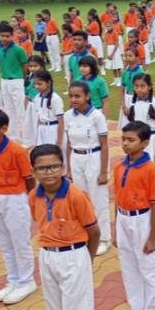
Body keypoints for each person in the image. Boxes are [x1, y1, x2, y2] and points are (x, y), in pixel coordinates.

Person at [28, 144, 104, 310]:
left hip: (74, 255)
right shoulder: (34, 196)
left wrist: (87, 259)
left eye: (54, 166)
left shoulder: (75, 195)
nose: (48, 172)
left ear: (63, 166)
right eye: (42, 168)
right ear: (34, 171)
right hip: (47, 255)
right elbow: (39, 222)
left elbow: (93, 230)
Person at [113, 121, 155, 310]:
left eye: (130, 140)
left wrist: (152, 237)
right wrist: (116, 228)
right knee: (130, 268)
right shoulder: (119, 166)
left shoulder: (150, 169)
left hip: (142, 220)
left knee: (149, 269)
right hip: (123, 219)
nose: (125, 143)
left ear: (144, 143)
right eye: (123, 139)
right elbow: (116, 198)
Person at [0, 108, 37, 304]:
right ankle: (13, 280)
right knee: (4, 243)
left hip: (14, 199)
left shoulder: (17, 150)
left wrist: (25, 199)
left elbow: (29, 179)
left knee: (20, 241)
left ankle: (27, 281)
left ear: (4, 128)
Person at [64, 81, 111, 256]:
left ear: (87, 96)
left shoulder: (96, 116)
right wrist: (68, 168)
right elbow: (68, 144)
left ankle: (105, 238)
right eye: (71, 96)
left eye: (78, 96)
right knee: (81, 199)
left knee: (98, 199)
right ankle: (86, 233)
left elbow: (104, 145)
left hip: (94, 157)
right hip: (76, 158)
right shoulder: (68, 116)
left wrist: (104, 171)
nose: (74, 99)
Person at [0, 22, 29, 143]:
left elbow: (25, 66)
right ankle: (13, 136)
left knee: (20, 109)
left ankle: (26, 137)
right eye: (2, 35)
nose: (5, 38)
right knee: (9, 109)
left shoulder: (19, 50)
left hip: (17, 81)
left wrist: (23, 80)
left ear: (12, 36)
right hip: (4, 81)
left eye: (8, 36)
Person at [127, 73, 155, 169]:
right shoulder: (133, 102)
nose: (139, 89)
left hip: (151, 142)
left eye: (142, 86)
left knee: (150, 170)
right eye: (136, 86)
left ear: (149, 87)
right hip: (137, 142)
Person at [26, 70, 64, 148]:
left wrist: (59, 141)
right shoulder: (37, 97)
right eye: (35, 84)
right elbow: (39, 118)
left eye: (39, 84)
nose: (36, 87)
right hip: (42, 129)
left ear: (48, 83)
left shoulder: (55, 99)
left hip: (53, 130)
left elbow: (61, 121)